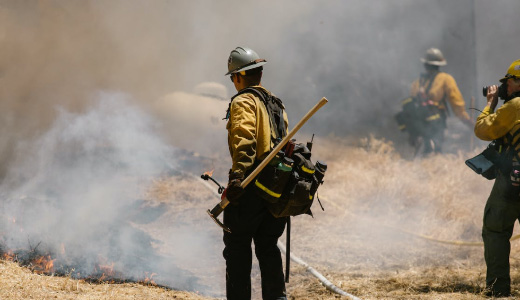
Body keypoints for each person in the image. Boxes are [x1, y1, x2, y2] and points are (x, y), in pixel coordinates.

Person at [221, 46, 289, 300]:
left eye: (232, 78)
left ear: (238, 76)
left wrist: (238, 177)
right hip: (276, 189)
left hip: (250, 186)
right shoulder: (276, 103)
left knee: (237, 249)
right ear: (259, 73)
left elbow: (245, 137)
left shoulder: (243, 101)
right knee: (268, 247)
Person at [474, 59, 520, 297]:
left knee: (496, 231)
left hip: (512, 183)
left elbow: (483, 129)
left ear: (515, 82)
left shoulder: (514, 106)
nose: (506, 87)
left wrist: (491, 102)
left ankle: (498, 289)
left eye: (508, 82)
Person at [408, 48, 473, 154]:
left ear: (425, 64)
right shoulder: (446, 79)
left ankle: (422, 164)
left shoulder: (417, 82)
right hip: (436, 120)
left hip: (419, 121)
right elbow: (456, 103)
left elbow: (411, 102)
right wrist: (465, 119)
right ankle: (433, 162)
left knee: (422, 149)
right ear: (439, 64)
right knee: (436, 148)